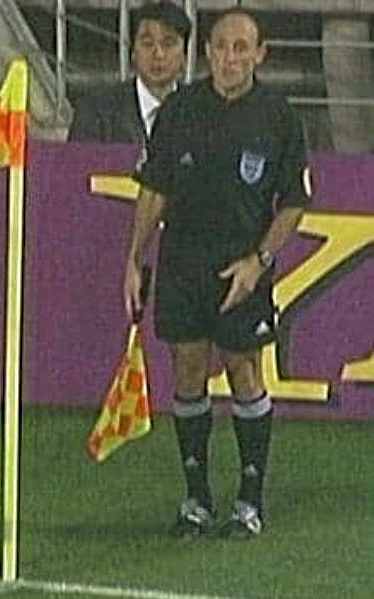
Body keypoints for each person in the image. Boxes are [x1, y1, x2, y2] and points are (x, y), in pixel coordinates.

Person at [123, 8, 311, 539]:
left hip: (241, 265)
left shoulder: (278, 117)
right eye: (221, 47)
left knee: (243, 371)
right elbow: (154, 189)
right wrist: (134, 259)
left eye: (241, 48)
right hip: (183, 261)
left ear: (260, 54)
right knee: (186, 370)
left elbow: (293, 202)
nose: (230, 58)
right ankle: (196, 499)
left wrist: (259, 262)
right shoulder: (180, 111)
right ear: (207, 51)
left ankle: (249, 502)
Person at [69, 0, 191, 144]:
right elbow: (79, 165)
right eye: (147, 44)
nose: (158, 54)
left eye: (168, 44)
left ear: (184, 55)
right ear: (133, 52)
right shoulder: (96, 111)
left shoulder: (201, 112)